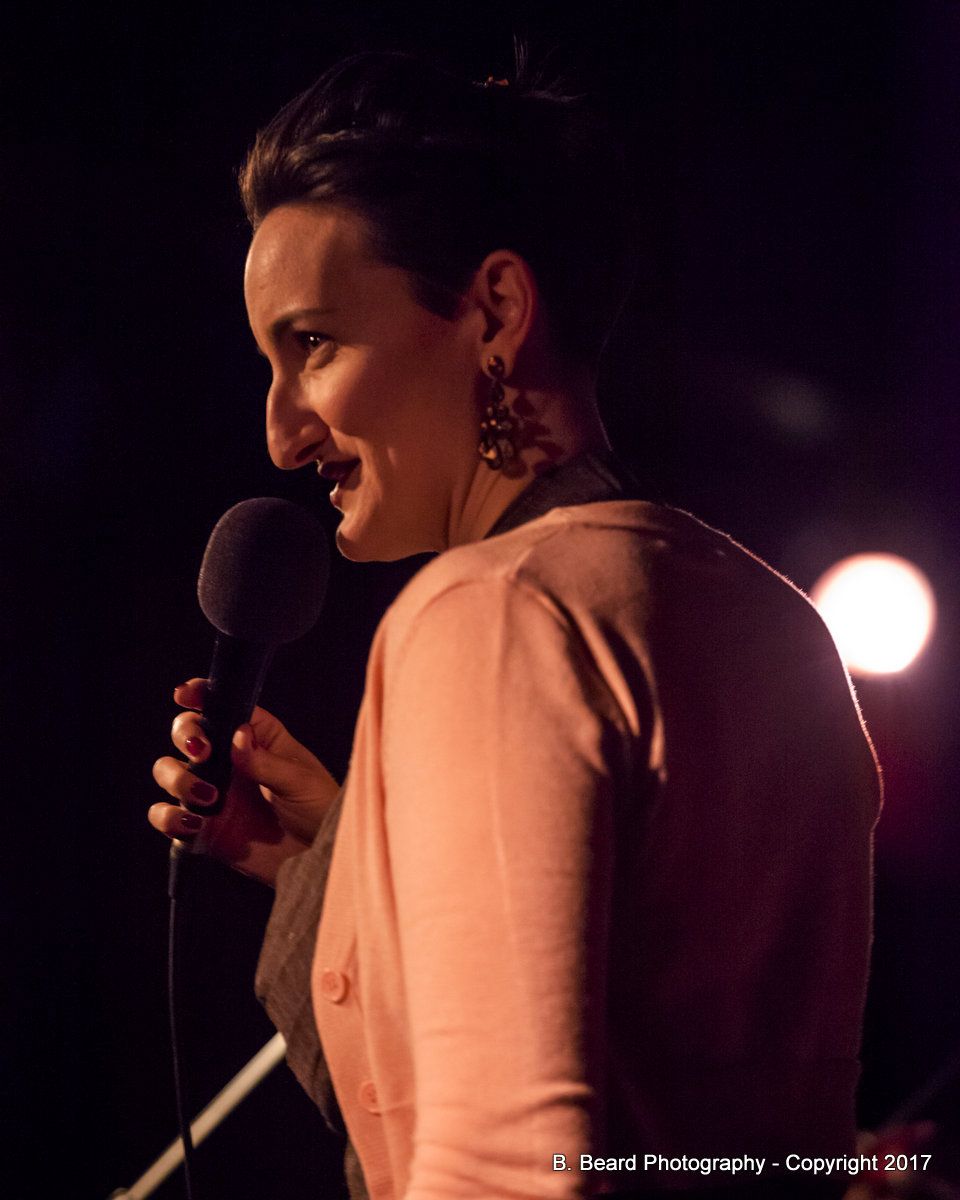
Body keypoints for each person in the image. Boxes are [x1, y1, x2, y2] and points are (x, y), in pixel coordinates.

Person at [149, 51, 882, 1200]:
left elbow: (511, 1166)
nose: (282, 434)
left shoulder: (491, 611)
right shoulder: (778, 624)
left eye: (314, 345)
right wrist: (335, 862)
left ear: (494, 310)